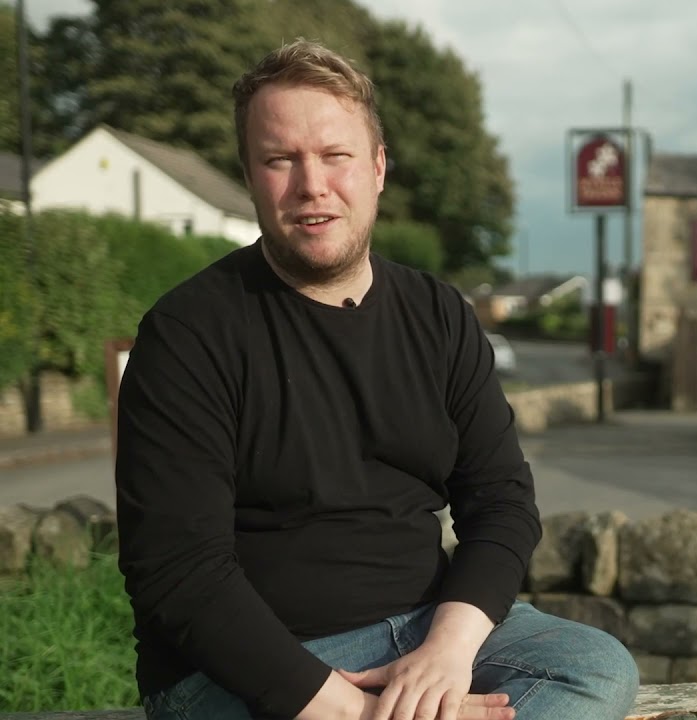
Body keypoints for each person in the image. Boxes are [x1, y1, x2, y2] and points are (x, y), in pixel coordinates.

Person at [114, 40, 639, 720]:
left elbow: (502, 503)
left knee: (595, 670)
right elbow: (177, 571)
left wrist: (448, 649)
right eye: (281, 160)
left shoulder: (441, 315)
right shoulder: (188, 332)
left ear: (378, 168)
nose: (312, 185)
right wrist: (351, 711)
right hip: (242, 667)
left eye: (336, 156)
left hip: (422, 633)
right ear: (250, 175)